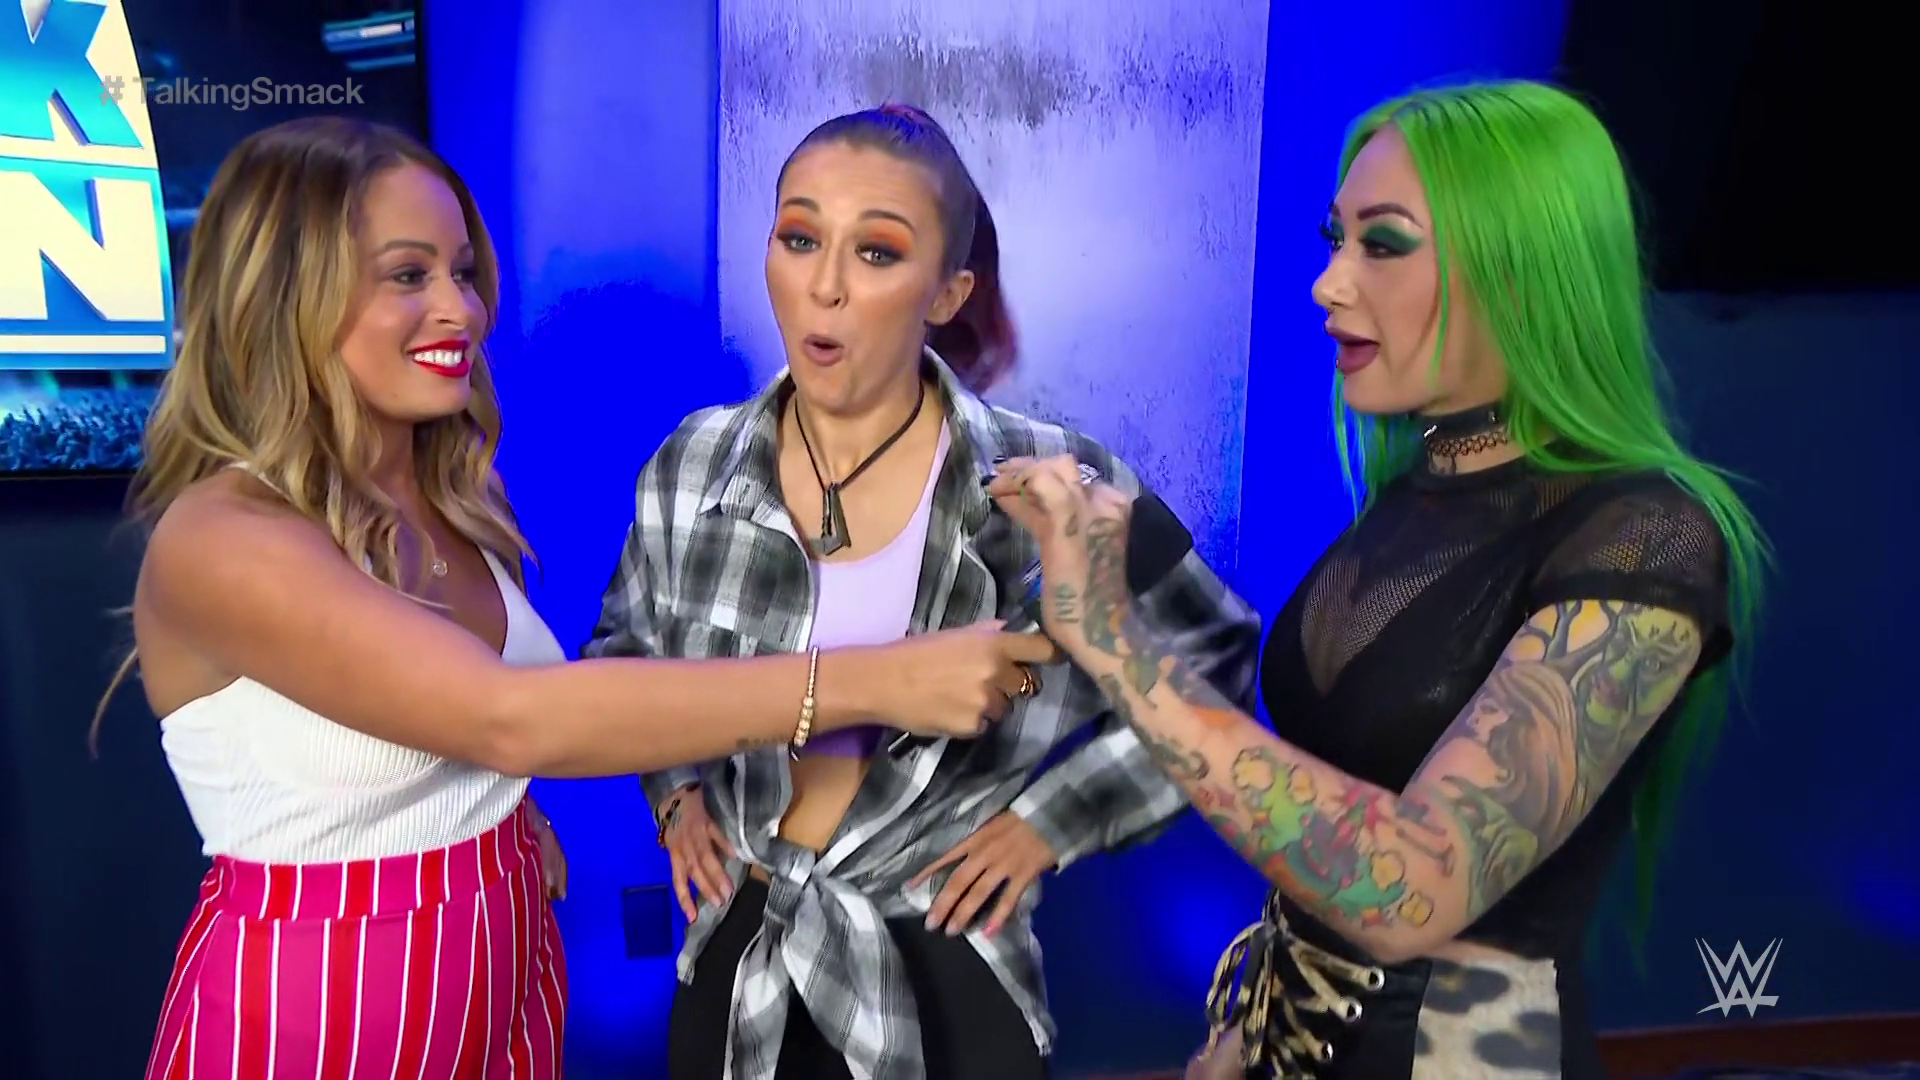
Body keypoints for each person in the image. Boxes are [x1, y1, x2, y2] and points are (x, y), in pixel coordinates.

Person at [94, 116, 1056, 1080]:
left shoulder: (452, 495)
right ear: (285, 295)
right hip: (321, 1005)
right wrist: (881, 681)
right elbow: (509, 716)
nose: (462, 310)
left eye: (462, 272)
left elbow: (438, 731)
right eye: (408, 276)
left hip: (508, 961)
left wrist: (501, 821)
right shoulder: (223, 539)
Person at [991, 80, 1770, 1079]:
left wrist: (1112, 638)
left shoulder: (1644, 536)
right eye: (1336, 240)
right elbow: (1327, 822)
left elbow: (1412, 883)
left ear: (1523, 272)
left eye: (1385, 245)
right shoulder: (1416, 490)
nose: (1329, 284)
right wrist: (1252, 1030)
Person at [582, 104, 1263, 1080]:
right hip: (740, 966)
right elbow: (622, 649)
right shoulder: (693, 464)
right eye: (800, 238)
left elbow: (1215, 658)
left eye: (877, 253)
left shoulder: (1052, 477)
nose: (823, 286)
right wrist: (675, 791)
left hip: (947, 974)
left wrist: (1051, 821)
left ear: (949, 290)